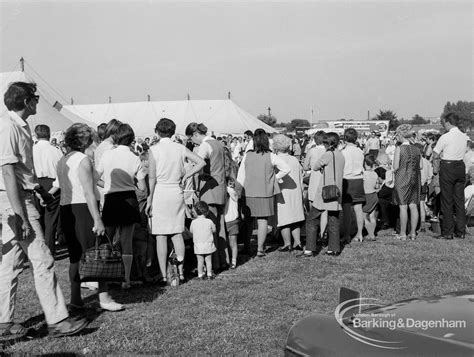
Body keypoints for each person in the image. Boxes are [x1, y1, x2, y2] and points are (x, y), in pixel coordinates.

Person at [0, 82, 87, 338]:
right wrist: (20, 214)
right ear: (27, 101)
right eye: (35, 97)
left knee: (10, 264)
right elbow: (6, 172)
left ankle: (3, 323)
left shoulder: (17, 125)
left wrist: (36, 187)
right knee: (43, 259)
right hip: (16, 203)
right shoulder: (9, 127)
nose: (38, 101)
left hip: (18, 198)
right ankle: (58, 319)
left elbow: (15, 171)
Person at [56, 123, 123, 312]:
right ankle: (104, 297)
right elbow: (88, 192)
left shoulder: (64, 159)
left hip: (66, 209)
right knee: (99, 252)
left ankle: (76, 298)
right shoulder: (83, 160)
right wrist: (98, 219)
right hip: (83, 209)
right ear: (86, 140)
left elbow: (86, 183)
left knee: (75, 256)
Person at [146, 118, 205, 285]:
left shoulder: (153, 150)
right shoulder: (180, 148)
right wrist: (187, 174)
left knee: (161, 235)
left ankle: (164, 274)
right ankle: (180, 272)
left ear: (157, 131)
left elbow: (151, 177)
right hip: (176, 191)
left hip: (160, 192)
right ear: (173, 131)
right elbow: (201, 162)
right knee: (177, 233)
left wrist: (150, 198)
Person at [96, 123, 147, 289]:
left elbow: (95, 177)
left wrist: (108, 184)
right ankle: (126, 279)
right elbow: (142, 188)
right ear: (131, 139)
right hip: (129, 199)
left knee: (108, 240)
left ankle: (106, 275)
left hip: (111, 198)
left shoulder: (107, 155)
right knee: (126, 241)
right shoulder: (135, 158)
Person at [236, 129, 290, 257]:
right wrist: (274, 178)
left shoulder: (247, 156)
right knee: (262, 220)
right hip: (265, 192)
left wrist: (238, 191)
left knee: (248, 221)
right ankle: (260, 249)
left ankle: (247, 246)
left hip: (248, 191)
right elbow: (286, 169)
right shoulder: (271, 156)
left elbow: (240, 176)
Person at [185, 122, 229, 271]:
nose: (193, 143)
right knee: (220, 226)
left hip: (209, 188)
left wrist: (187, 175)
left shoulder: (204, 145)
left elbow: (199, 163)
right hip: (220, 187)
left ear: (196, 134)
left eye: (192, 139)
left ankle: (214, 264)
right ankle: (224, 259)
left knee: (209, 227)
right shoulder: (218, 143)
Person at [299, 132, 345, 257]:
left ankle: (309, 249)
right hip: (336, 192)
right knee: (333, 220)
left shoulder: (327, 154)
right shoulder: (340, 155)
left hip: (325, 192)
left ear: (326, 143)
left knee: (312, 219)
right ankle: (333, 249)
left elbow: (314, 167)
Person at [433, 113, 469, 239]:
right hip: (460, 166)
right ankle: (461, 231)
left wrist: (435, 170)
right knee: (459, 200)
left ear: (448, 122)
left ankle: (448, 232)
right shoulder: (464, 136)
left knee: (447, 200)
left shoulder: (445, 137)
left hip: (448, 166)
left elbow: (436, 153)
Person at [32, 124, 63, 256]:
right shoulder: (56, 151)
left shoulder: (31, 150)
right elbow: (61, 173)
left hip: (36, 184)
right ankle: (49, 250)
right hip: (52, 184)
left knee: (38, 218)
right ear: (49, 135)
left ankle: (40, 250)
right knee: (50, 220)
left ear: (36, 135)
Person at [273, 134, 305, 251]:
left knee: (284, 218)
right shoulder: (294, 160)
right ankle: (298, 242)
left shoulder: (275, 159)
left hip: (282, 191)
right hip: (295, 191)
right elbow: (300, 176)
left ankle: (287, 243)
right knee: (295, 217)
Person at [393, 124, 422, 240]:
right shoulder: (416, 149)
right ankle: (413, 233)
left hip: (402, 178)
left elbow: (395, 166)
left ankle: (403, 233)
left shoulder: (399, 149)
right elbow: (420, 166)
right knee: (413, 205)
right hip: (415, 179)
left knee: (403, 206)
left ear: (400, 135)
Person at [341, 128, 365, 244]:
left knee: (346, 210)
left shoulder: (343, 152)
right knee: (358, 209)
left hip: (347, 179)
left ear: (345, 138)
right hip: (358, 179)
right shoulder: (360, 151)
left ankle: (346, 234)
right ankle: (359, 233)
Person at [303, 131, 328, 242]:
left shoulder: (311, 151)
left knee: (313, 209)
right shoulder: (328, 151)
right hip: (325, 179)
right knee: (324, 209)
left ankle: (313, 233)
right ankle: (323, 233)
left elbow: (305, 166)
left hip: (314, 180)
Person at [190, 201, 217, 280]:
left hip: (198, 245)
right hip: (208, 244)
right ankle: (209, 274)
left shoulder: (193, 222)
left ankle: (200, 275)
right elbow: (214, 230)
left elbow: (191, 231)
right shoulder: (209, 221)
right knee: (208, 261)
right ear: (207, 211)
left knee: (200, 261)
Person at [224, 177, 240, 269]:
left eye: (232, 183)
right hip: (225, 221)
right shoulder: (224, 194)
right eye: (229, 183)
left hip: (233, 221)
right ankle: (227, 259)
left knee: (233, 243)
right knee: (226, 243)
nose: (232, 185)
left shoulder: (233, 193)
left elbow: (234, 195)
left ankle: (234, 261)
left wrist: (227, 187)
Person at [362, 155, 379, 241]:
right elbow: (376, 185)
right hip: (374, 195)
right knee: (372, 216)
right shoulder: (375, 174)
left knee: (364, 216)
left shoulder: (364, 174)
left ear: (365, 163)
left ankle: (371, 234)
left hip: (367, 195)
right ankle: (372, 232)